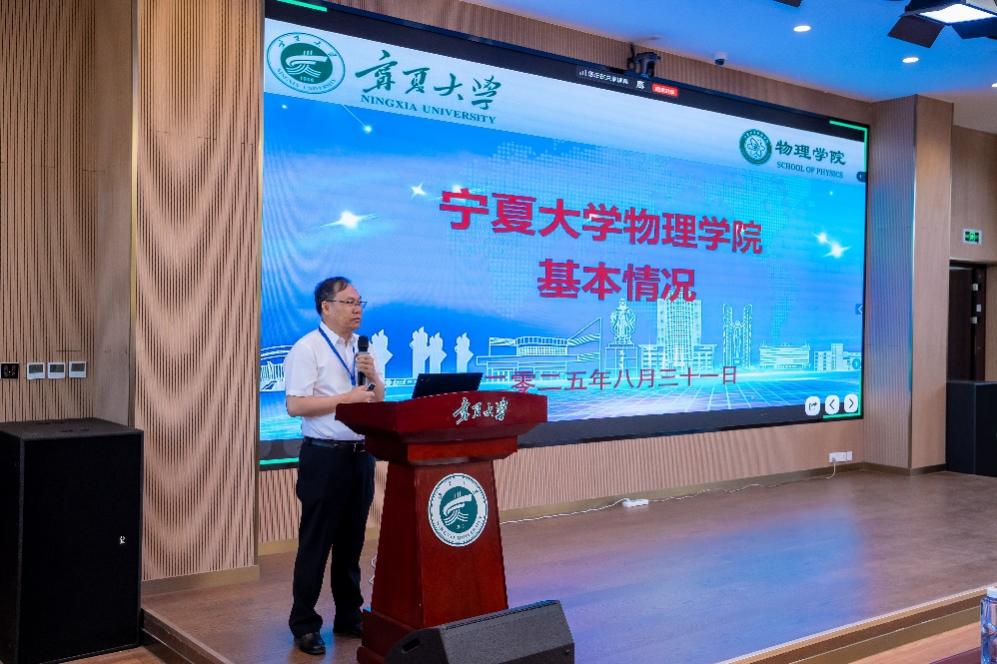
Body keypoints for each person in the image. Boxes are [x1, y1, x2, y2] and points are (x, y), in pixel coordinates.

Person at [284, 276, 384, 656]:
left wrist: (373, 377)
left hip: (360, 456)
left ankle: (349, 616)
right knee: (316, 543)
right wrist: (347, 399)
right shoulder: (307, 348)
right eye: (349, 302)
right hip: (324, 457)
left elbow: (376, 400)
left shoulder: (363, 349)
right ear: (326, 306)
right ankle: (305, 624)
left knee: (351, 544)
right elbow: (295, 405)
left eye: (360, 302)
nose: (357, 309)